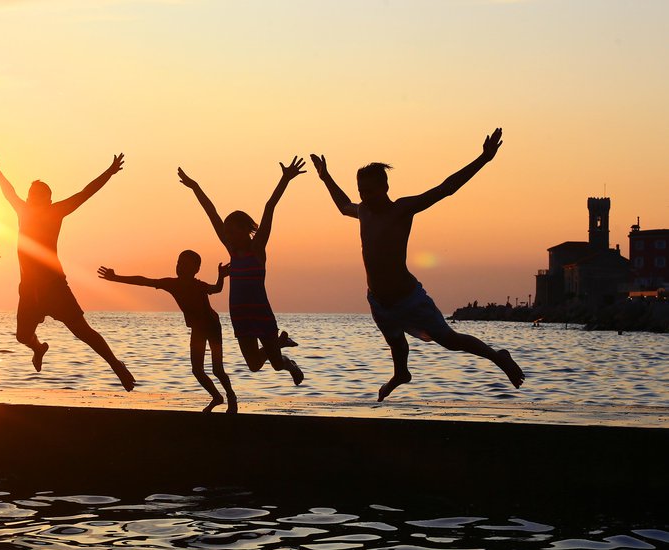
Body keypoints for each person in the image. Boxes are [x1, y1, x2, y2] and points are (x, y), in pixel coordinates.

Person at [310, 128, 525, 401]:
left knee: (449, 340)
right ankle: (401, 374)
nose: (365, 197)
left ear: (385, 187)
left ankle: (498, 357)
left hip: (409, 298)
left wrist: (483, 159)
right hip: (378, 300)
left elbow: (446, 189)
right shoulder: (363, 211)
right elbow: (343, 206)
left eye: (370, 191)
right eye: (361, 191)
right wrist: (325, 176)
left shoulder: (401, 210)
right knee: (396, 343)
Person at [0, 152, 135, 390]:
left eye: (39, 197)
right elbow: (9, 192)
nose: (33, 200)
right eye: (32, 196)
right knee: (23, 336)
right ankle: (38, 348)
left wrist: (109, 172)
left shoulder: (56, 212)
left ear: (49, 200)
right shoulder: (23, 211)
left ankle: (116, 365)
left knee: (82, 331)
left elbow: (85, 193)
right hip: (28, 290)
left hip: (54, 286)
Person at [177, 158, 304, 386]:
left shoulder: (258, 250)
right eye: (227, 233)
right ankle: (279, 342)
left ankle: (288, 360)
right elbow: (211, 213)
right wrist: (195, 186)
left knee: (276, 364)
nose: (229, 236)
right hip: (240, 315)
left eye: (232, 232)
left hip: (261, 313)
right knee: (254, 365)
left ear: (246, 230)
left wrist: (285, 179)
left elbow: (269, 207)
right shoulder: (232, 251)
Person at [98, 251, 237, 413]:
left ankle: (231, 397)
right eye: (179, 263)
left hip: (212, 326)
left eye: (185, 264)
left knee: (217, 369)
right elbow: (144, 281)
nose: (180, 267)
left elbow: (217, 289)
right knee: (197, 370)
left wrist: (221, 276)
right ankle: (216, 397)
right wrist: (116, 277)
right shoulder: (172, 284)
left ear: (196, 269)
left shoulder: (199, 285)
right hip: (198, 329)